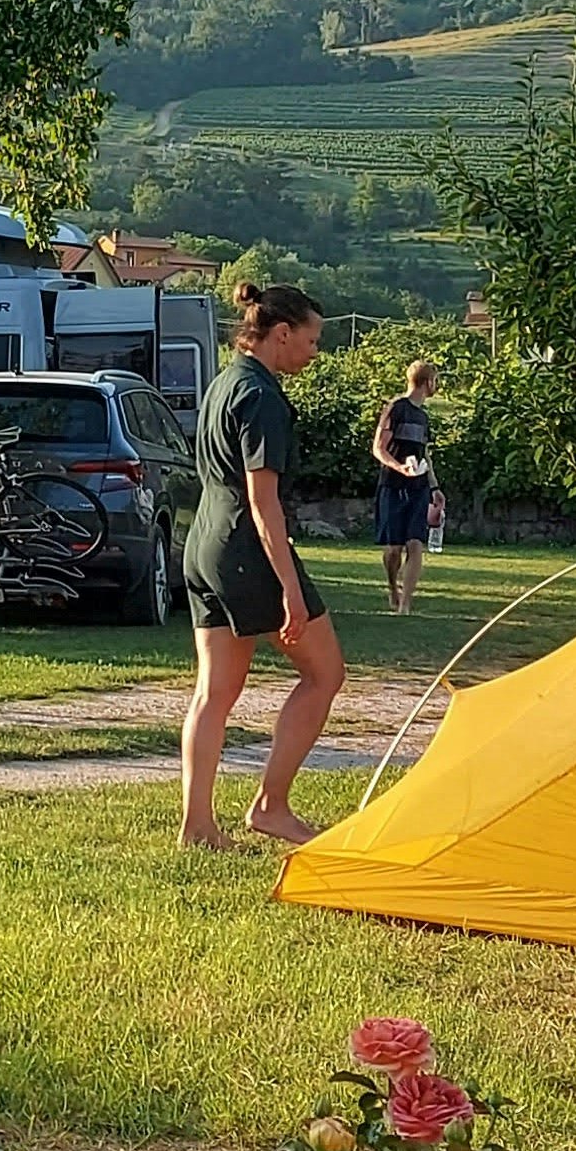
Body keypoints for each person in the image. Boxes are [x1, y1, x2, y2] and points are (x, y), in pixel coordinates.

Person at [178, 279, 341, 850]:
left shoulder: (224, 382)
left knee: (213, 693)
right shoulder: (264, 397)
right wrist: (291, 592)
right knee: (326, 674)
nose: (315, 352)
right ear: (281, 333)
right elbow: (262, 500)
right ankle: (271, 806)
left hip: (203, 546)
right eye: (313, 340)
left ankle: (198, 827)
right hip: (245, 552)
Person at [373, 358, 441, 613]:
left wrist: (434, 488)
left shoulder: (423, 417)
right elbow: (378, 448)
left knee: (415, 543)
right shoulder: (396, 408)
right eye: (435, 380)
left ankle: (405, 604)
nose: (436, 386)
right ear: (427, 382)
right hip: (392, 485)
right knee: (394, 549)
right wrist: (398, 466)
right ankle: (393, 587)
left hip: (419, 488)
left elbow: (426, 455)